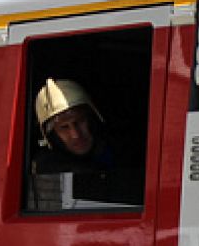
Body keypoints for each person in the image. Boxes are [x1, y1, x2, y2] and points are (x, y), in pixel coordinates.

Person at [28, 78, 142, 209]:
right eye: (64, 127)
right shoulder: (48, 168)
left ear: (92, 119)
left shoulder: (125, 151)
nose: (75, 134)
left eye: (80, 121)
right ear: (52, 136)